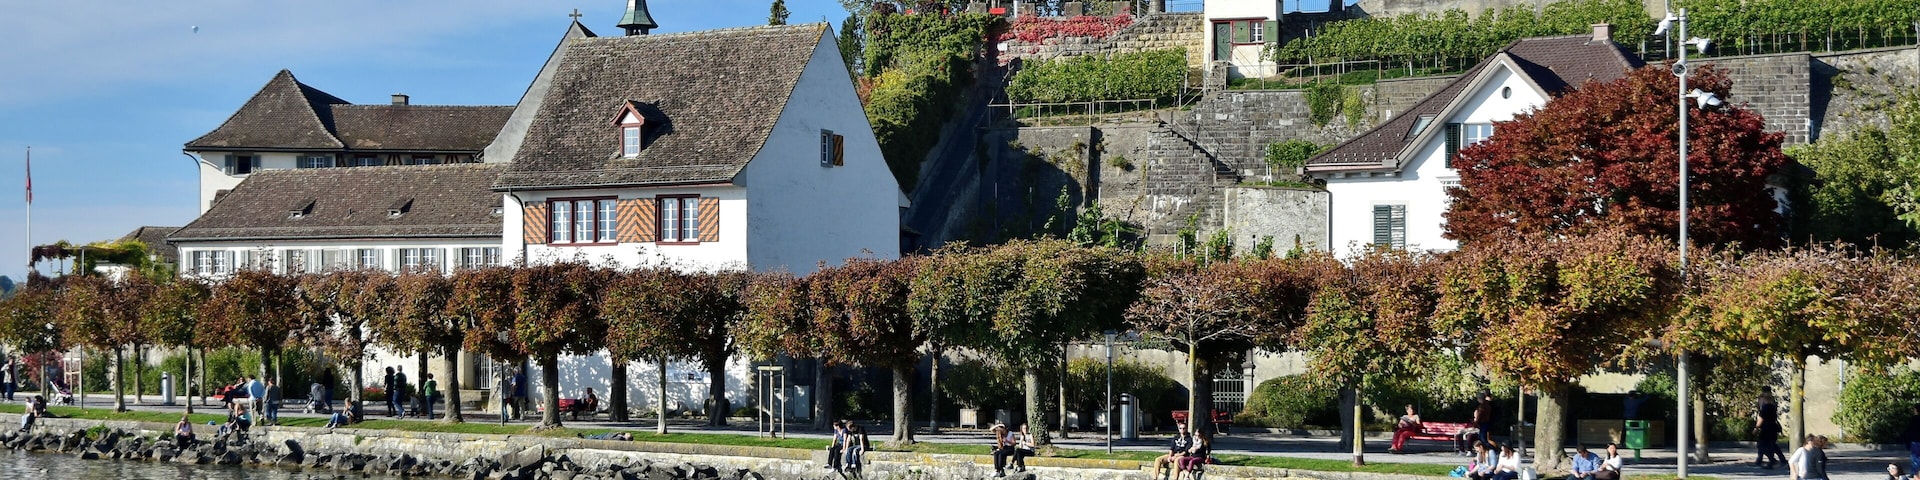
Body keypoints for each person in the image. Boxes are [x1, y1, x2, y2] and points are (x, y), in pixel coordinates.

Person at [1756, 386, 1786, 469]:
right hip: (1771, 427)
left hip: (1766, 427)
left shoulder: (1766, 407)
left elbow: (1762, 417)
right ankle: (1776, 460)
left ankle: (1771, 460)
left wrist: (1756, 428)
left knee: (1763, 444)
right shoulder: (1772, 406)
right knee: (1771, 444)